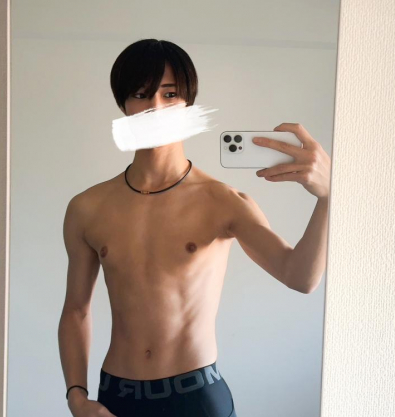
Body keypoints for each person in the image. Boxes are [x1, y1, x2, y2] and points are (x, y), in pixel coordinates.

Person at [58, 38, 331, 417]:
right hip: (115, 397)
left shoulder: (222, 201)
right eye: (141, 94)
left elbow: (300, 277)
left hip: (196, 399)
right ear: (123, 105)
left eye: (170, 94)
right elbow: (76, 310)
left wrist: (328, 198)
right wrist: (76, 397)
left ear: (188, 103)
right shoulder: (88, 208)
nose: (155, 107)